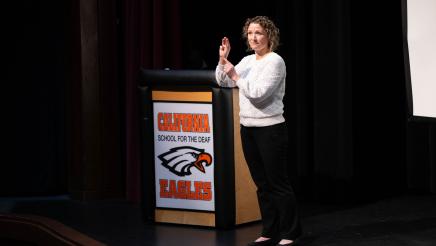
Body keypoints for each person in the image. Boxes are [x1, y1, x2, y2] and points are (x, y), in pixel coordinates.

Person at [215, 16, 302, 246]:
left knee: (277, 183)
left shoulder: (275, 61)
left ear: (269, 36)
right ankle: (269, 229)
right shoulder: (246, 61)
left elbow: (259, 95)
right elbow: (223, 82)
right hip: (248, 129)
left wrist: (234, 75)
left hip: (270, 130)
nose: (254, 38)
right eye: (251, 33)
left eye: (259, 33)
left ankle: (290, 232)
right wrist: (223, 60)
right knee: (262, 184)